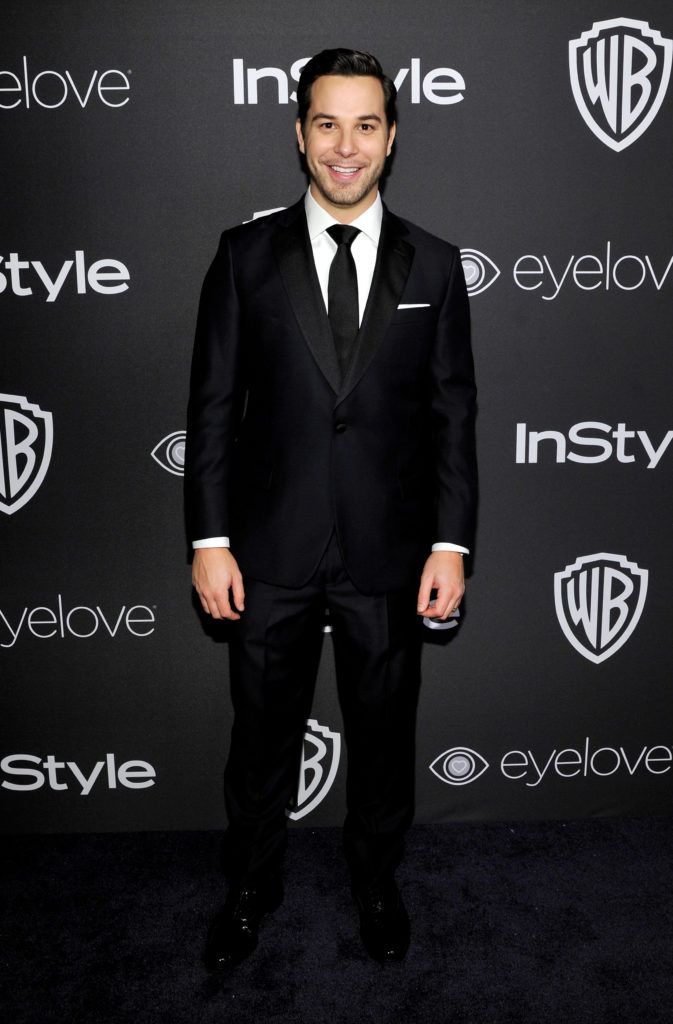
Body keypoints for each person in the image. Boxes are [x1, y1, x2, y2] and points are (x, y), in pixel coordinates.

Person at [185, 48, 477, 968]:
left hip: (389, 554)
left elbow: (452, 416)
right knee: (259, 738)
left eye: (364, 125)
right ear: (299, 134)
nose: (344, 147)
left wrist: (450, 543)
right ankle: (250, 883)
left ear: (390, 138)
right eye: (325, 124)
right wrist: (207, 536)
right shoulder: (244, 256)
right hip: (267, 548)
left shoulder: (434, 261)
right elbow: (210, 407)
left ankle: (375, 879)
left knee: (385, 739)